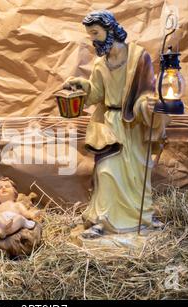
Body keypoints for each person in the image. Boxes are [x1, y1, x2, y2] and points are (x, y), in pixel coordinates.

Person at [64, 10, 168, 238]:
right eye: (90, 35)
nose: (93, 39)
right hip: (109, 126)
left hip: (132, 126)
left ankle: (142, 219)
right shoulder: (101, 64)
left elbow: (147, 93)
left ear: (110, 30)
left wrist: (146, 105)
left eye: (96, 33)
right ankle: (104, 220)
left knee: (136, 176)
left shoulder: (138, 57)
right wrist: (81, 85)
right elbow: (95, 95)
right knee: (106, 172)